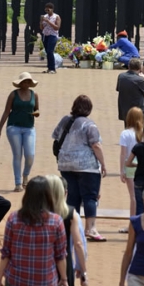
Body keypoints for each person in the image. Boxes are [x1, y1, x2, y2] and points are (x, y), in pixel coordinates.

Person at [53, 95, 107, 241]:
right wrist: (103, 164)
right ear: (89, 109)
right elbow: (96, 145)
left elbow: (56, 137)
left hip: (65, 164)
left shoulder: (65, 120)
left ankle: (72, 227)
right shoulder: (90, 125)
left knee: (72, 197)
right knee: (90, 196)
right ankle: (91, 228)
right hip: (86, 167)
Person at [0, 72, 39, 192]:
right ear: (20, 83)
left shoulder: (34, 94)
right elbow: (6, 111)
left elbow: (36, 109)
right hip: (14, 127)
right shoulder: (13, 95)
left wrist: (37, 113)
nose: (26, 84)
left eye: (28, 82)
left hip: (29, 127)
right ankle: (18, 183)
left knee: (30, 155)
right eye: (24, 82)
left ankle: (26, 175)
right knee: (17, 154)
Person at [119, 107, 144, 223]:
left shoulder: (125, 133)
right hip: (143, 166)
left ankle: (133, 224)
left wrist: (122, 170)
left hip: (130, 166)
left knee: (133, 197)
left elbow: (123, 154)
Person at [116, 58, 144, 122]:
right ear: (140, 68)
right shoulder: (140, 79)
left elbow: (118, 89)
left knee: (128, 129)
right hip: (138, 111)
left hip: (125, 109)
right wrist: (143, 79)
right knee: (139, 130)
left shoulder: (121, 76)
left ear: (129, 66)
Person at [40, 3, 61, 74]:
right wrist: (41, 22)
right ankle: (49, 68)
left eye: (49, 9)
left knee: (50, 51)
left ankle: (53, 68)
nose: (47, 10)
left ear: (52, 9)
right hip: (45, 35)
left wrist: (48, 21)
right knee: (47, 52)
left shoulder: (56, 17)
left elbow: (57, 27)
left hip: (53, 35)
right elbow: (41, 28)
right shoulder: (44, 16)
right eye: (46, 9)